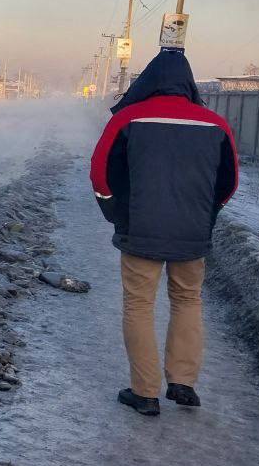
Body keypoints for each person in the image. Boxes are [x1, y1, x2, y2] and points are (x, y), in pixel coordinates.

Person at [89, 48, 238, 416]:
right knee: (188, 300)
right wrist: (206, 214)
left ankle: (145, 392)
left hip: (140, 229)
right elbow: (229, 182)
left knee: (139, 305)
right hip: (192, 232)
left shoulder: (128, 118)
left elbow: (100, 172)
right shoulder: (215, 124)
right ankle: (183, 381)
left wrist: (114, 212)